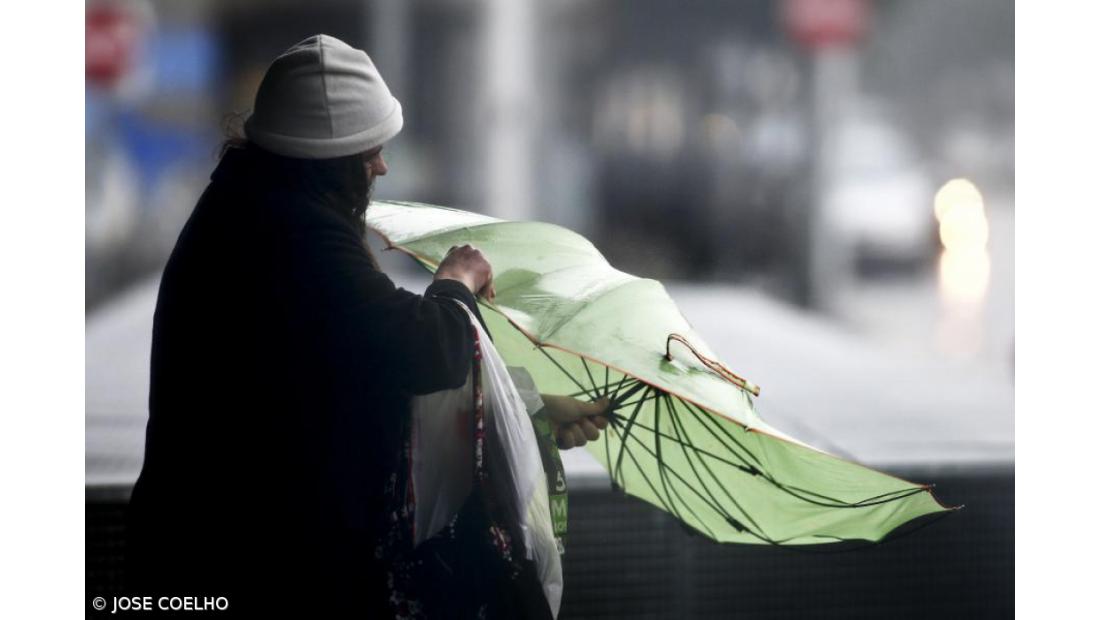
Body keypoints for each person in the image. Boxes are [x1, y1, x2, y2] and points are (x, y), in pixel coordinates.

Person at [124, 34, 608, 617]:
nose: (381, 165)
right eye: (368, 152)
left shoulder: (256, 205)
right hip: (236, 569)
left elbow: (363, 361)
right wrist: (456, 282)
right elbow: (426, 348)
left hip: (221, 554)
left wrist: (527, 409)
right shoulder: (289, 232)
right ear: (327, 163)